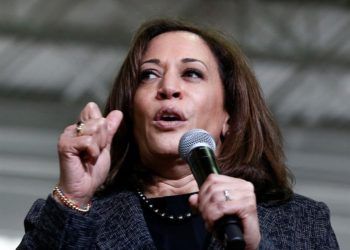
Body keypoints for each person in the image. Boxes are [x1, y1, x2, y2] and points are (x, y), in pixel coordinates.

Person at [17, 19, 338, 250]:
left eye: (192, 73)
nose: (168, 88)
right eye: (149, 75)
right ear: (131, 110)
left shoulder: (302, 222)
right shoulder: (69, 215)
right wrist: (73, 198)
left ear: (230, 116)